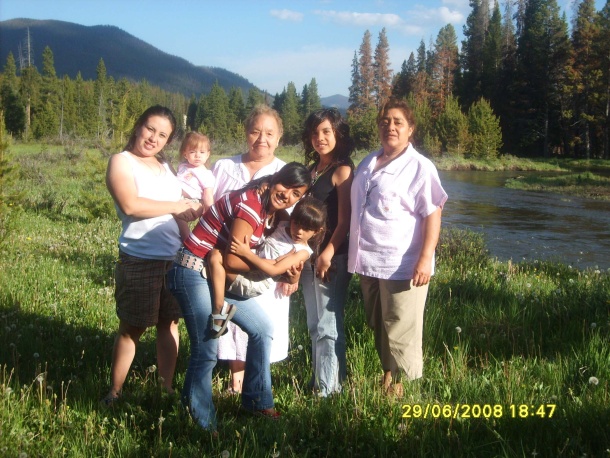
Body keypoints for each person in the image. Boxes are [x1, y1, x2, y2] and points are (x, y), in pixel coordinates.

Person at [167, 162, 311, 429]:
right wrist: (276, 270)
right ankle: (200, 422)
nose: (287, 195)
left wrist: (293, 269)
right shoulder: (251, 204)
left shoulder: (272, 211)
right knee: (208, 345)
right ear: (276, 178)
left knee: (263, 328)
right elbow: (233, 261)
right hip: (193, 270)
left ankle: (256, 401)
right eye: (286, 186)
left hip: (218, 277)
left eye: (296, 194)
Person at [348, 98, 448, 397]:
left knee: (402, 327)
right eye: (385, 121)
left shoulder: (419, 167)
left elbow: (433, 212)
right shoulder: (369, 162)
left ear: (410, 129)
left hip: (402, 263)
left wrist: (425, 258)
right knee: (378, 322)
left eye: (397, 122)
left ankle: (405, 387)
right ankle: (388, 377)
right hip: (368, 259)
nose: (390, 127)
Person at [103, 105, 202, 405]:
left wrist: (191, 237)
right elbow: (131, 205)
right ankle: (114, 392)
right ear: (137, 126)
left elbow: (178, 216)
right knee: (132, 327)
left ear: (168, 141)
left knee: (169, 323)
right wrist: (177, 205)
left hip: (174, 259)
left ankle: (166, 388)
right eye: (150, 129)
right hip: (139, 258)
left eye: (162, 135)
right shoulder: (121, 162)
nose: (153, 138)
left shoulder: (166, 168)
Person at [212, 104, 291, 392]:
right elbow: (209, 207)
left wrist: (290, 273)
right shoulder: (224, 167)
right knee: (232, 314)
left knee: (265, 316)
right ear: (246, 132)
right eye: (256, 131)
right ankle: (236, 378)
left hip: (267, 263)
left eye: (269, 133)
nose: (262, 139)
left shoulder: (284, 172)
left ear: (279, 137)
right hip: (226, 259)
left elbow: (293, 228)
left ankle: (258, 383)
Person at [299, 108, 355, 397]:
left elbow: (345, 220)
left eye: (326, 132)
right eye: (315, 132)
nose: (319, 138)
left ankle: (329, 390)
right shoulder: (312, 171)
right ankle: (321, 380)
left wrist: (328, 253)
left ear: (338, 134)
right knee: (313, 323)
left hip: (331, 257)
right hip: (308, 256)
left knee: (328, 324)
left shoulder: (342, 171)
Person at [213, 196, 326, 302]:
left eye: (306, 229)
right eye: (296, 223)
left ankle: (219, 309)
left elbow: (274, 270)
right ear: (292, 218)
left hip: (254, 281)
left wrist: (247, 253)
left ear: (317, 231)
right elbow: (276, 205)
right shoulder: (284, 223)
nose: (299, 231)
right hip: (246, 267)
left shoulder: (303, 252)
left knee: (215, 260)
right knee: (215, 256)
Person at [175, 132, 215, 241]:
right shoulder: (182, 167)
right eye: (192, 152)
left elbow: (208, 195)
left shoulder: (205, 174)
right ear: (185, 154)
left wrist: (209, 212)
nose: (197, 155)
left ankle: (188, 241)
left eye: (202, 152)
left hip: (194, 202)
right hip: (178, 199)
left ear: (207, 155)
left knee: (179, 218)